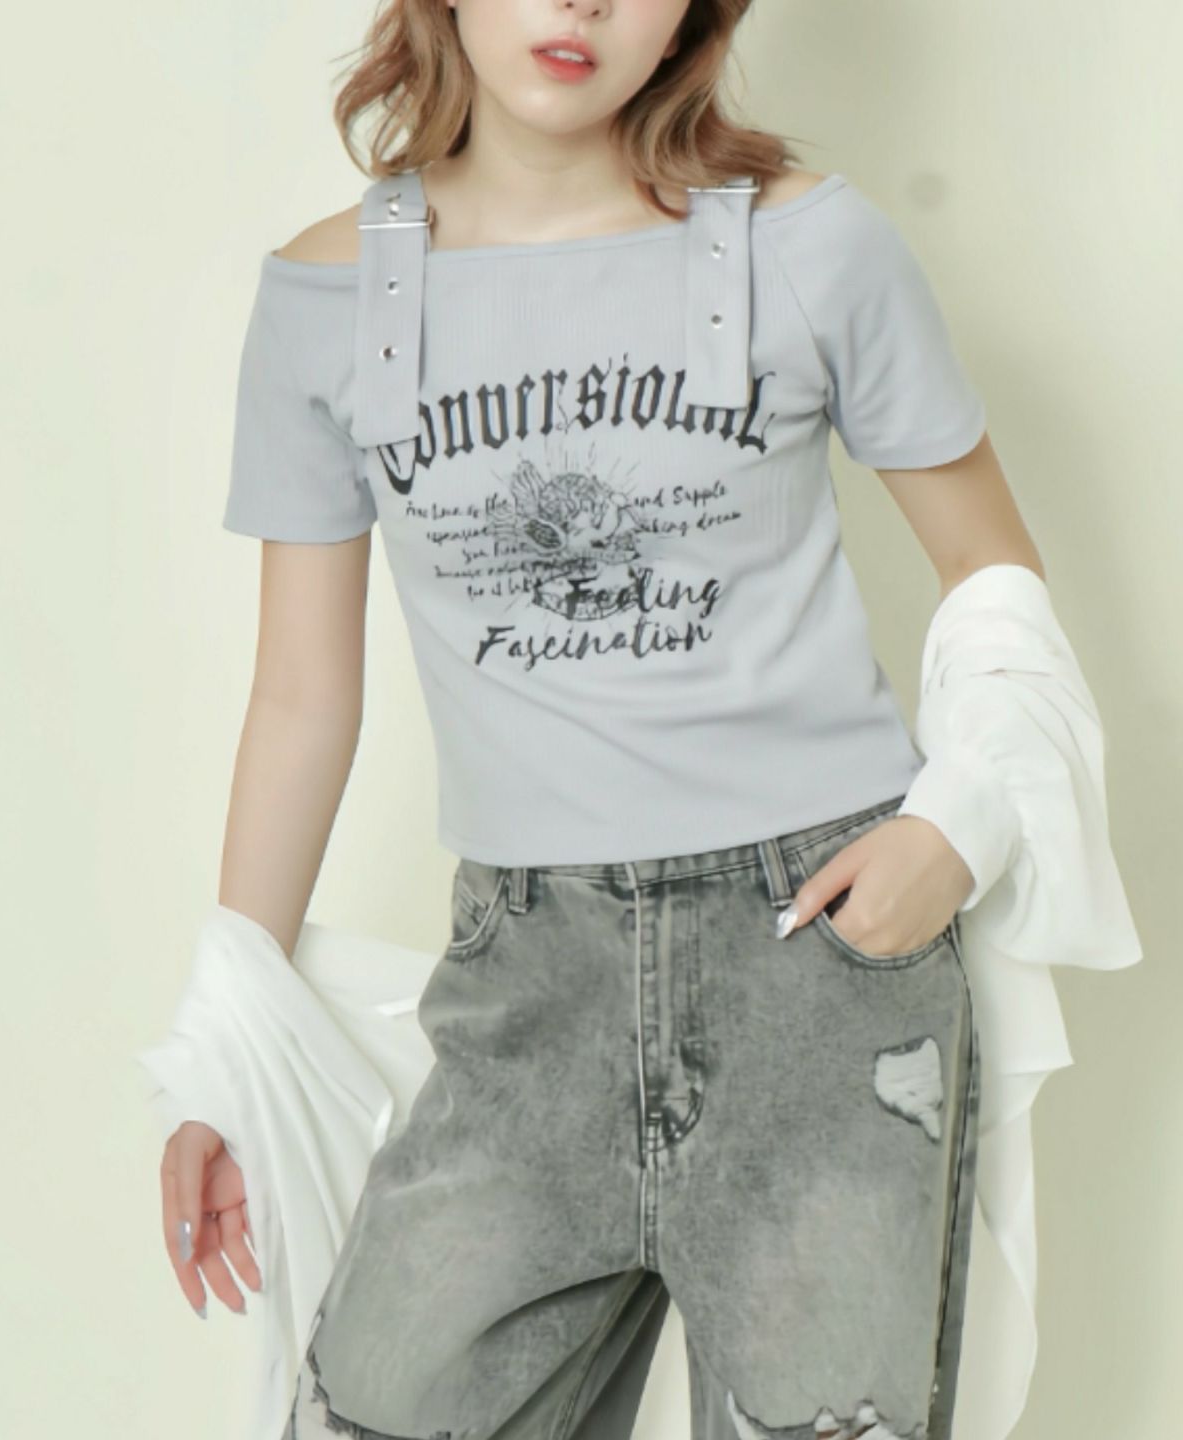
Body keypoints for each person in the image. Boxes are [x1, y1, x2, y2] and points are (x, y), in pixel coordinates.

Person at [159, 1, 1053, 1436]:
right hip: (526, 982)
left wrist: (961, 827)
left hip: (818, 966)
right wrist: (228, 1048)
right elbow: (301, 698)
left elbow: (993, 573)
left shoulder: (814, 246)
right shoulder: (327, 297)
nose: (581, 3)